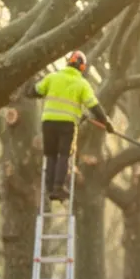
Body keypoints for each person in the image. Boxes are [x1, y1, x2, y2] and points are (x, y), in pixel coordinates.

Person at [35, 51, 113, 201]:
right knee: (64, 155)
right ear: (82, 67)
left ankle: (49, 186)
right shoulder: (81, 84)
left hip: (48, 122)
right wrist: (106, 122)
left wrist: (30, 90)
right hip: (67, 125)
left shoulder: (53, 77)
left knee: (50, 155)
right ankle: (58, 188)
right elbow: (94, 106)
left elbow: (36, 90)